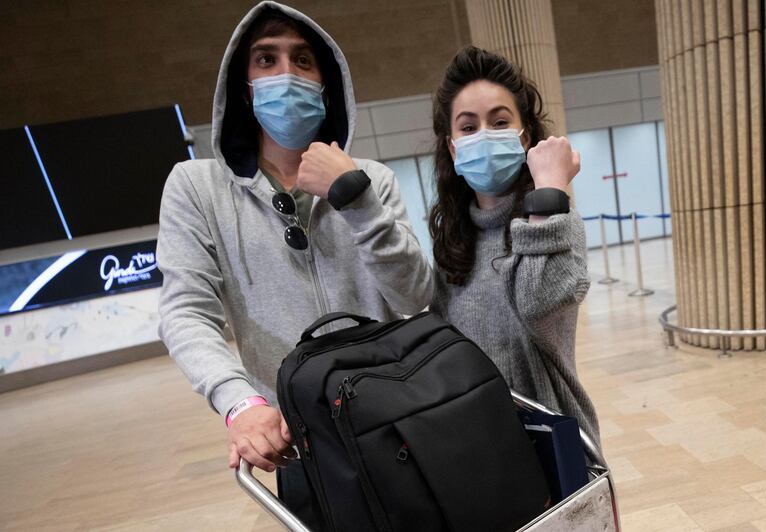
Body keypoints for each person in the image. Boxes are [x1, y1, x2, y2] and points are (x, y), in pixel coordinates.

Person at [157, 0, 433, 484]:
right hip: (297, 434)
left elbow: (413, 294)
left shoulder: (372, 179)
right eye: (267, 59)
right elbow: (186, 312)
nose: (286, 74)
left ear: (326, 85)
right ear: (244, 89)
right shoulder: (197, 188)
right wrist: (240, 403)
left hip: (397, 416)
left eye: (302, 60)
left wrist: (355, 199)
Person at [428, 46, 601, 449]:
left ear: (525, 137)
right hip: (480, 444)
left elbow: (537, 302)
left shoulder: (557, 224)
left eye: (500, 121)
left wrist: (549, 191)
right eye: (468, 127)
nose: (484, 135)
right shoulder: (452, 241)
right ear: (453, 148)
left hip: (554, 442)